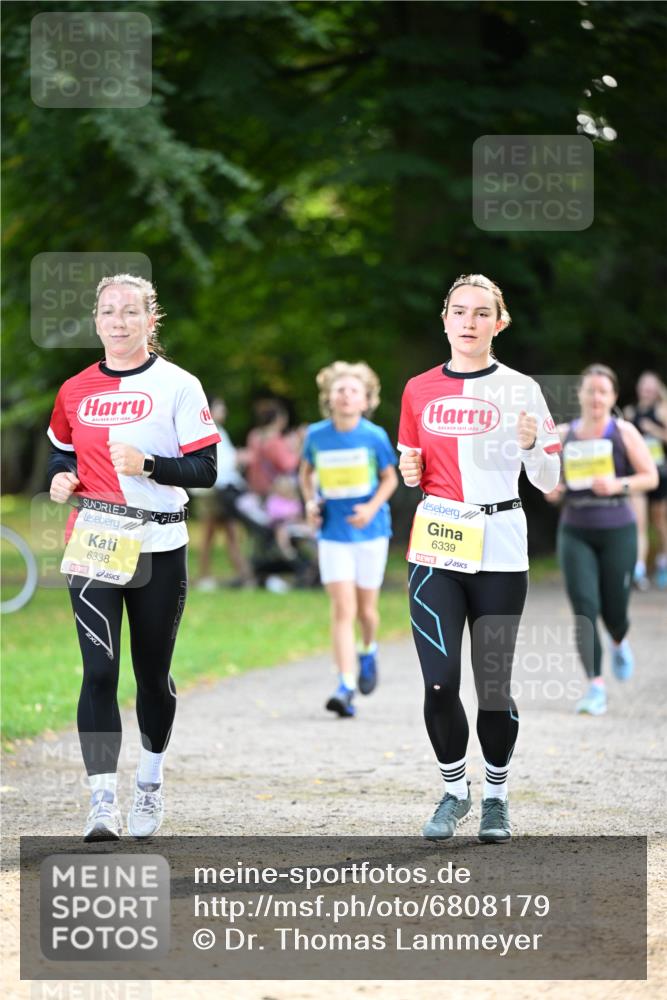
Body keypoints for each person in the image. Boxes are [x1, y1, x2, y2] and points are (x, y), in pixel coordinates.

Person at [47, 273, 220, 842]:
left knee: (151, 675)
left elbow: (206, 470)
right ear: (95, 321)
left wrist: (148, 464)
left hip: (159, 545)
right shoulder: (74, 389)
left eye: (130, 312)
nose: (118, 322)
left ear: (152, 320)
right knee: (98, 671)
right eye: (108, 312)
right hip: (96, 537)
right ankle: (101, 801)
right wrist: (60, 478)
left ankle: (149, 780)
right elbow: (59, 449)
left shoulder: (179, 385)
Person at [398, 273, 562, 844]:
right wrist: (408, 472)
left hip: (500, 541)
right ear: (444, 318)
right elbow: (411, 459)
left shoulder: (523, 390)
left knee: (492, 684)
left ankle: (496, 794)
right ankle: (453, 790)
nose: (469, 322)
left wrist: (531, 445)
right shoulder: (417, 389)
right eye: (459, 312)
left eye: (481, 313)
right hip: (439, 541)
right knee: (439, 684)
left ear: (500, 322)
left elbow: (549, 478)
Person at [545, 365, 658, 716]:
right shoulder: (563, 435)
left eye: (603, 392)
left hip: (617, 531)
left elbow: (650, 477)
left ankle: (620, 641)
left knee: (614, 610)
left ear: (613, 397)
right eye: (590, 391)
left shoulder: (623, 432)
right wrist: (554, 490)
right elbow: (546, 484)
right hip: (576, 530)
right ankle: (595, 687)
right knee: (584, 607)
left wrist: (619, 485)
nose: (596, 398)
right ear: (580, 394)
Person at [299, 362, 398, 717]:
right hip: (333, 534)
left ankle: (368, 650)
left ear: (365, 399)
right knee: (344, 608)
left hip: (370, 532)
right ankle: (346, 685)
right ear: (329, 397)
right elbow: (306, 473)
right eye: (339, 390)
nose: (345, 395)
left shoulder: (374, 436)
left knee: (367, 612)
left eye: (352, 390)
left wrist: (371, 508)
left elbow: (390, 478)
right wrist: (311, 502)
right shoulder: (316, 435)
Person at [196, 397, 254, 590]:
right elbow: (216, 463)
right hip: (212, 491)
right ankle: (209, 575)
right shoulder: (205, 431)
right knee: (213, 533)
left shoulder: (221, 431)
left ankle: (242, 574)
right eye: (221, 408)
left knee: (225, 533)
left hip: (222, 490)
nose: (224, 411)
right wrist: (238, 459)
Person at [623, 371, 667, 590]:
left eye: (651, 387)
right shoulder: (631, 413)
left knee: (659, 523)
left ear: (657, 389)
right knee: (638, 523)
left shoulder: (662, 410)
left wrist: (654, 430)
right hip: (638, 473)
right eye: (644, 386)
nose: (647, 390)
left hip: (660, 473)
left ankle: (663, 561)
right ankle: (638, 571)